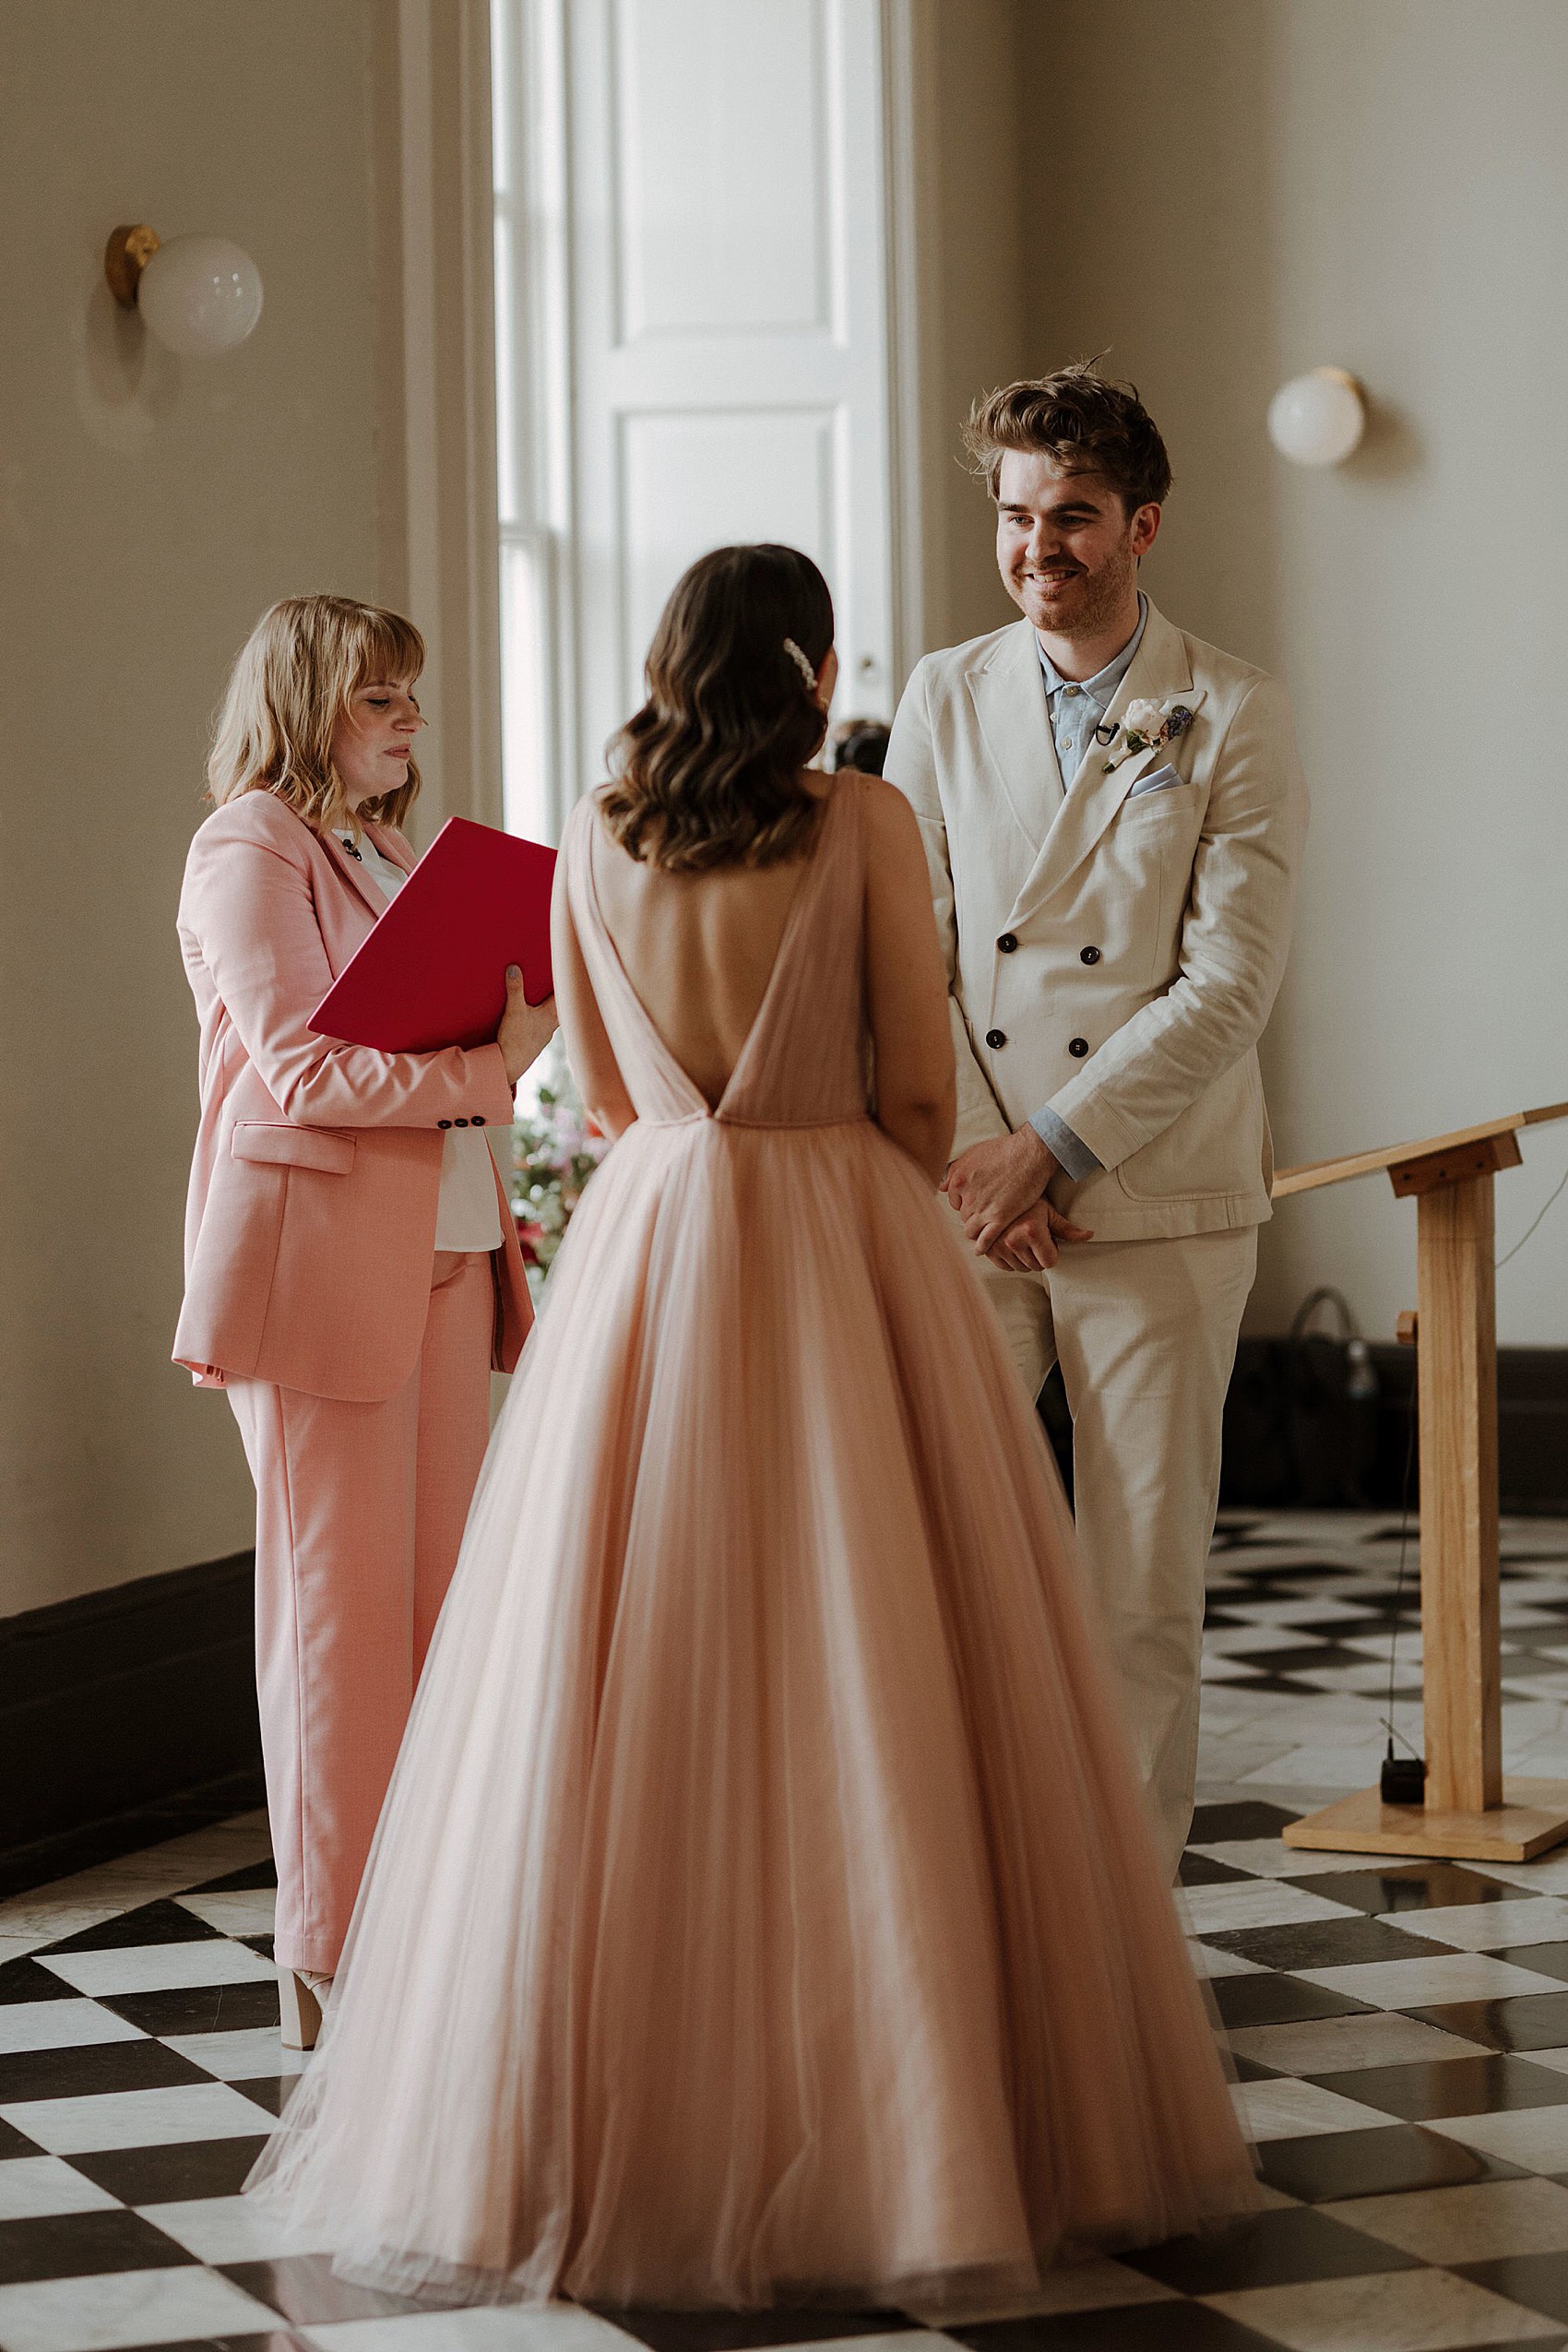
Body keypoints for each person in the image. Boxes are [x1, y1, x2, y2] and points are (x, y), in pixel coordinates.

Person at [244, 545, 1254, 2310]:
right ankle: (914, 2105)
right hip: (834, 1226)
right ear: (809, 665)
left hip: (651, 1242)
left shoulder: (594, 830)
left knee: (627, 1656)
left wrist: (696, 1143)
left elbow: (610, 1090)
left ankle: (589, 2103)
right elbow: (924, 1089)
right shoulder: (858, 823)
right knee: (877, 1638)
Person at [885, 369, 1309, 1878]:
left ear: (1142, 524)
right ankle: (972, 1898)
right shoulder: (943, 694)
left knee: (1138, 1591)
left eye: (1070, 515)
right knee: (952, 1564)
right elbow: (910, 951)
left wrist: (1052, 1145)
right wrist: (981, 1161)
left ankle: (1119, 1924)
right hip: (969, 1198)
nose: (1036, 547)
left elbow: (1227, 988)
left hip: (1155, 1203)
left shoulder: (1236, 709)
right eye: (1014, 514)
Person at [173, 596, 554, 2049]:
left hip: (449, 1251)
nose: (406, 720)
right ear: (306, 699)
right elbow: (294, 1066)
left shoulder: (391, 847)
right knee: (337, 1624)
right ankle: (327, 1949)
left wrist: (501, 1039)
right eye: (377, 698)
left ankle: (424, 1915)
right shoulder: (246, 845)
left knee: (436, 1607)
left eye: (410, 697)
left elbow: (443, 1035)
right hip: (319, 1265)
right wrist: (487, 1067)